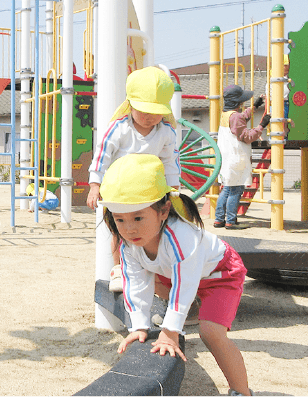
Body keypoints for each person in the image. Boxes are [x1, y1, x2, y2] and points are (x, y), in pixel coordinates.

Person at [100, 154, 253, 397]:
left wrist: (171, 331)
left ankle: (241, 391)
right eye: (120, 219)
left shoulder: (180, 236)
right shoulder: (130, 244)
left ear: (164, 210)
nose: (130, 228)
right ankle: (186, 313)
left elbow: (186, 283)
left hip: (219, 275)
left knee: (211, 333)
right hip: (176, 276)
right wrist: (139, 325)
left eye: (138, 217)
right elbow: (136, 282)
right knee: (150, 280)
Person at [86, 66, 181, 293]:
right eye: (143, 110)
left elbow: (170, 160)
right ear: (130, 105)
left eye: (156, 111)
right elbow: (102, 156)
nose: (149, 117)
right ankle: (119, 268)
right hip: (119, 191)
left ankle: (151, 269)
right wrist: (94, 185)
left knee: (150, 230)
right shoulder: (119, 129)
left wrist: (174, 187)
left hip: (149, 191)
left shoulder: (166, 132)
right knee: (120, 231)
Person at [215, 84, 270, 229]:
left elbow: (241, 118)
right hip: (237, 157)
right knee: (236, 190)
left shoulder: (225, 115)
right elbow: (247, 137)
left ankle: (219, 219)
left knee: (226, 188)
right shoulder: (236, 117)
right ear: (237, 102)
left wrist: (255, 105)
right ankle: (230, 221)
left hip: (227, 158)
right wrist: (261, 126)